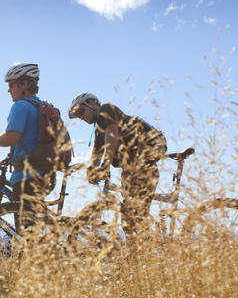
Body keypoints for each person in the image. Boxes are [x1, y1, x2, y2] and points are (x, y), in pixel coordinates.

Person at [69, 92, 167, 241]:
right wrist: (91, 171)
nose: (81, 117)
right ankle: (139, 250)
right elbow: (96, 153)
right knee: (129, 215)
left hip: (147, 154)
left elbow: (112, 134)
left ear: (92, 103)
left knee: (135, 213)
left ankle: (147, 246)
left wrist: (106, 164)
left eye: (80, 112)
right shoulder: (98, 133)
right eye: (77, 116)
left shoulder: (106, 110)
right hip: (132, 166)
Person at [0, 62, 53, 205]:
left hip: (25, 178)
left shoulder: (21, 106)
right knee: (34, 223)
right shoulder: (42, 106)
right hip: (44, 174)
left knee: (25, 227)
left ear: (24, 84)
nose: (8, 90)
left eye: (11, 85)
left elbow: (11, 137)